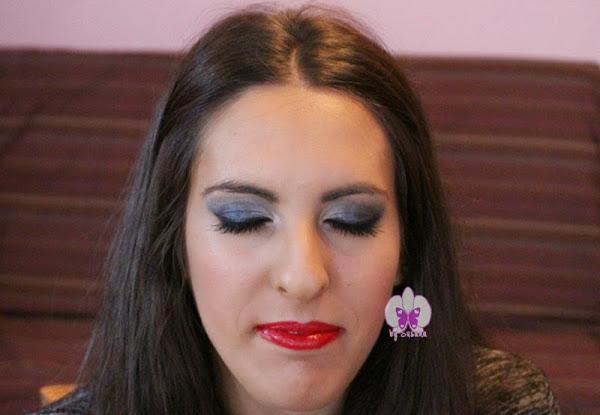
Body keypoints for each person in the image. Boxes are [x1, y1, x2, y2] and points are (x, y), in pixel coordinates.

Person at [28, 3, 561, 415]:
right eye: (244, 220)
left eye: (351, 221)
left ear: (407, 245)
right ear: (176, 243)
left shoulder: (501, 403)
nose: (303, 277)